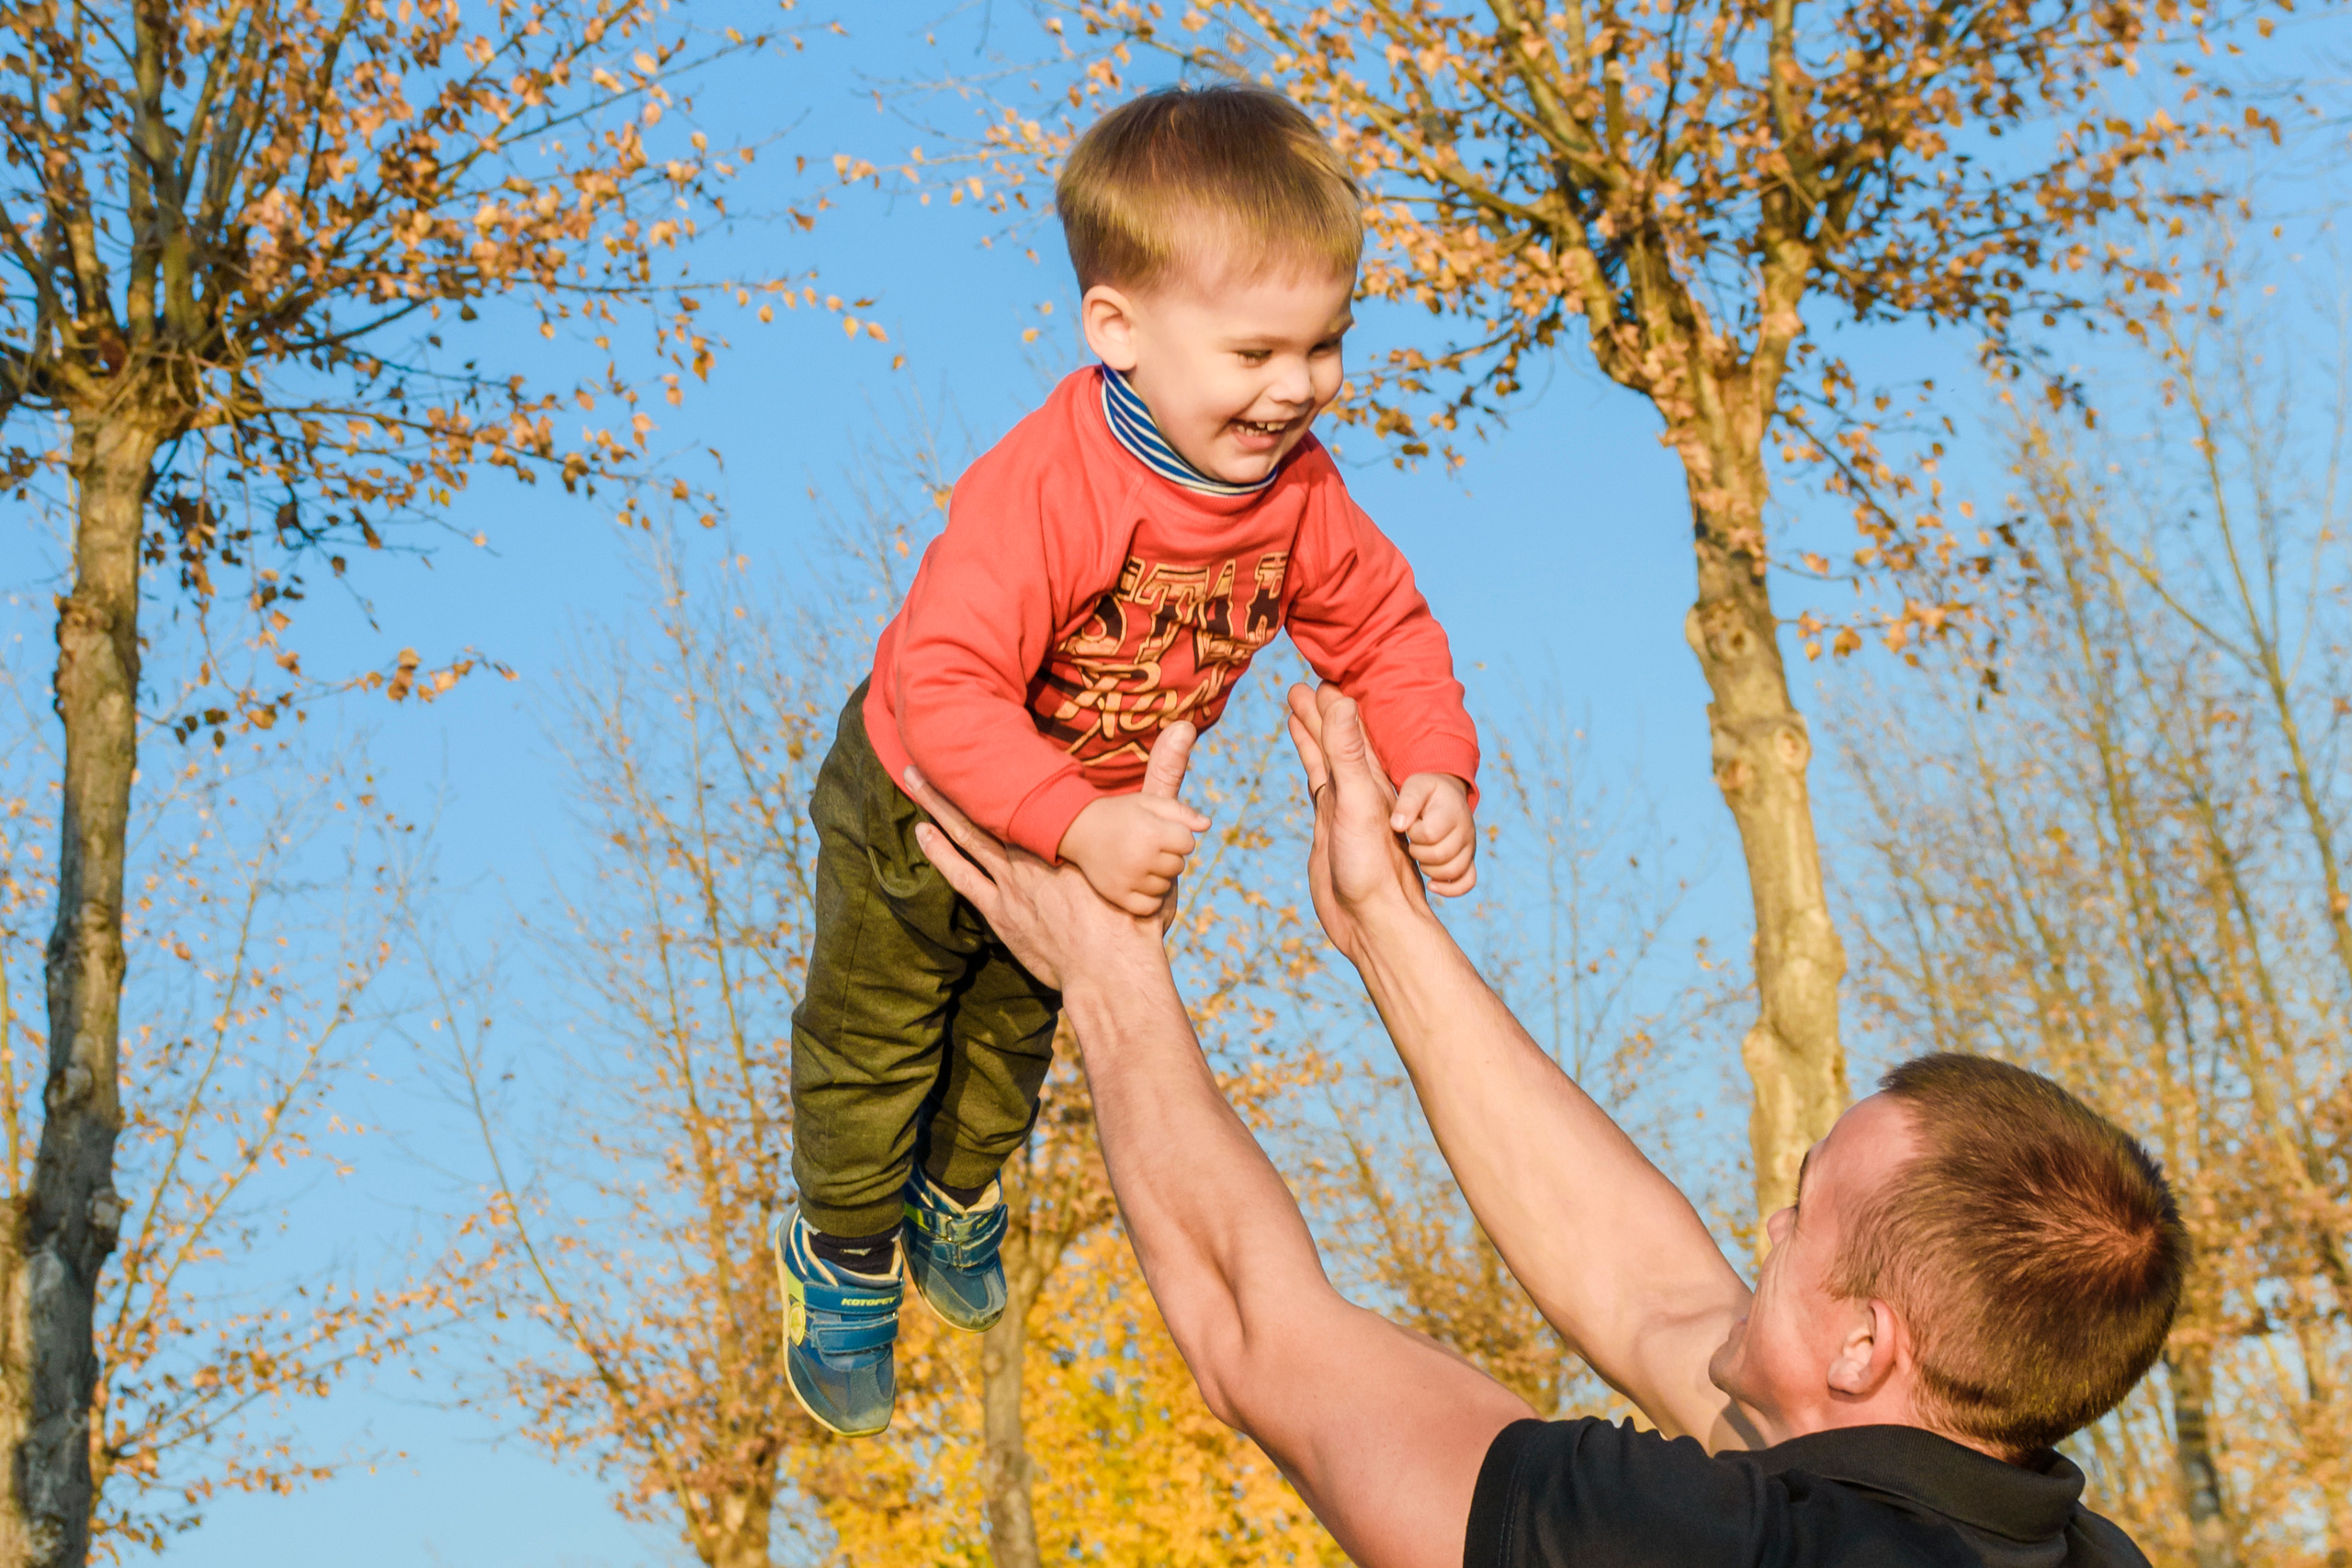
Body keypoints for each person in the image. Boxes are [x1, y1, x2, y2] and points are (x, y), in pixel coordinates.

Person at [904, 683, 2188, 1568]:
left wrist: (1110, 973)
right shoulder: (2057, 1540)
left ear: (1864, 1343)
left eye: (1806, 1215)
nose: (1769, 1224)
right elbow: (1652, 1300)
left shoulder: (1705, 1550)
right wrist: (1381, 927)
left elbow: (1258, 1338)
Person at [777, 84, 1483, 1438]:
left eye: (1326, 344)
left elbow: (1383, 630)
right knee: (877, 1043)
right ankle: (847, 1244)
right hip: (915, 804)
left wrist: (1432, 762)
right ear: (1119, 329)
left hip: (1083, 830)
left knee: (1013, 1035)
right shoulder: (1053, 485)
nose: (1298, 388)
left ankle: (958, 1192)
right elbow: (940, 684)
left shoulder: (1300, 498)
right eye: (1257, 351)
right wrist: (1071, 822)